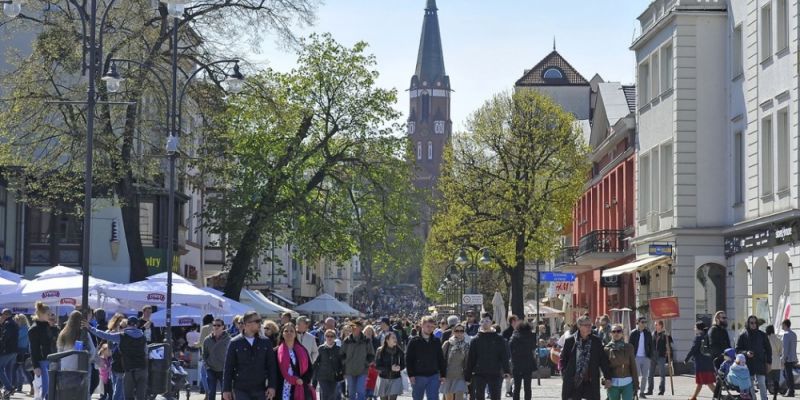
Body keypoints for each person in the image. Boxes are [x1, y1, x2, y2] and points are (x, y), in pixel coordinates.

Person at [85, 316, 148, 400]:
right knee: (141, 397)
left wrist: (90, 328)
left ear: (128, 324)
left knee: (128, 397)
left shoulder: (121, 336)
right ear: (137, 325)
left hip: (129, 370)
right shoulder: (143, 337)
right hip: (142, 369)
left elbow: (105, 335)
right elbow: (146, 353)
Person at [222, 311, 278, 400]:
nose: (260, 323)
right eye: (257, 321)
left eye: (260, 320)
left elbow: (271, 366)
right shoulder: (234, 342)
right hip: (240, 389)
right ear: (246, 324)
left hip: (261, 389)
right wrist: (226, 389)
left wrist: (272, 386)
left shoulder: (266, 342)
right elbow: (228, 367)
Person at [559, 315, 612, 400]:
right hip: (574, 380)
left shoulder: (596, 341)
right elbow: (563, 359)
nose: (589, 327)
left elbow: (603, 360)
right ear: (579, 326)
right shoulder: (570, 341)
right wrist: (564, 373)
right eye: (586, 325)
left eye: (590, 325)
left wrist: (608, 377)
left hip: (590, 379)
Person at [464, 313, 510, 400]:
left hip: (495, 372)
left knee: (496, 396)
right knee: (479, 397)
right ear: (480, 323)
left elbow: (504, 356)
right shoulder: (475, 340)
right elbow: (471, 359)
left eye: (487, 321)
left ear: (491, 322)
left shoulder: (499, 339)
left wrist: (507, 371)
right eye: (482, 321)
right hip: (479, 373)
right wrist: (468, 377)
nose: (485, 323)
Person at [405, 316, 446, 400]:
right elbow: (408, 359)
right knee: (417, 398)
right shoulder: (414, 341)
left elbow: (440, 358)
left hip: (434, 375)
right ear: (422, 325)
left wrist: (443, 374)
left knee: (433, 398)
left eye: (432, 327)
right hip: (418, 376)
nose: (430, 328)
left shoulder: (436, 341)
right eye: (428, 326)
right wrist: (411, 375)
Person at [275, 323, 317, 400]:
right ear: (282, 334)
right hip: (281, 388)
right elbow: (272, 371)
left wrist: (303, 380)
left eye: (291, 331)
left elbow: (310, 370)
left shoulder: (303, 350)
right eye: (286, 331)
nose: (289, 333)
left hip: (299, 386)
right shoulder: (276, 351)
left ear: (295, 334)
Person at [736, 315, 772, 400]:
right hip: (748, 364)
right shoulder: (743, 335)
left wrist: (769, 362)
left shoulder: (762, 335)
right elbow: (737, 350)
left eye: (755, 323)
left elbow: (768, 349)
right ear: (748, 324)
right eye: (751, 323)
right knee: (750, 385)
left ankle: (764, 398)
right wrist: (746, 353)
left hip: (760, 363)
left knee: (762, 383)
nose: (754, 324)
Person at [342, 320, 375, 400]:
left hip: (362, 370)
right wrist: (345, 364)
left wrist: (366, 363)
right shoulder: (347, 340)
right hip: (350, 371)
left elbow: (371, 355)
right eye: (352, 327)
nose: (353, 328)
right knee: (351, 393)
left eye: (355, 326)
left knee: (361, 391)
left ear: (360, 328)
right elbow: (342, 355)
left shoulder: (367, 340)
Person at [603, 324, 638, 400]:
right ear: (610, 334)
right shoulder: (606, 349)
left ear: (622, 333)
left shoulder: (629, 347)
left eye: (619, 331)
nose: (616, 333)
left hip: (627, 382)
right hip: (613, 383)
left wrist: (636, 384)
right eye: (614, 331)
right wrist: (605, 379)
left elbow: (633, 366)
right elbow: (604, 368)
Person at [28, 302, 53, 400]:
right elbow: (33, 349)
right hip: (42, 361)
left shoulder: (47, 326)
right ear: (41, 314)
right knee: (44, 390)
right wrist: (35, 366)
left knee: (49, 389)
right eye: (48, 314)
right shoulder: (34, 329)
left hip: (50, 359)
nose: (50, 315)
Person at [685, 321, 716, 400]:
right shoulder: (707, 336)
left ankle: (720, 396)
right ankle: (694, 397)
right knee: (704, 382)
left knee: (706, 382)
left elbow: (693, 349)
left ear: (698, 328)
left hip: (701, 363)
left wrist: (686, 359)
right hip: (708, 362)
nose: (694, 329)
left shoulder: (698, 337)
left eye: (695, 327)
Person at [203, 318, 231, 400]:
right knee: (211, 391)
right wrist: (207, 366)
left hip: (224, 369)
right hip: (211, 369)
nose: (216, 327)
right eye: (214, 325)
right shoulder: (207, 340)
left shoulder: (229, 339)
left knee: (224, 391)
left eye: (218, 325)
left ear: (223, 327)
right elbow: (204, 354)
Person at [441, 323, 469, 400]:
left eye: (461, 331)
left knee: (459, 397)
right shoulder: (447, 344)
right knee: (448, 398)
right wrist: (441, 374)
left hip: (460, 375)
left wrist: (468, 377)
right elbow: (440, 359)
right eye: (457, 331)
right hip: (448, 375)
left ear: (464, 332)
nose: (459, 333)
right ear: (453, 332)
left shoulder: (466, 346)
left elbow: (467, 362)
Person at [508, 321, 535, 400]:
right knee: (528, 387)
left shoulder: (514, 336)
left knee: (517, 387)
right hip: (528, 364)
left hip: (517, 364)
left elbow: (510, 347)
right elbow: (533, 347)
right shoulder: (530, 336)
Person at [374, 331, 405, 400]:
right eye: (393, 338)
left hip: (396, 378)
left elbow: (403, 365)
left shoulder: (399, 350)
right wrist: (390, 368)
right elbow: (377, 366)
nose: (395, 339)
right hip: (383, 378)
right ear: (387, 340)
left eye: (395, 338)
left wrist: (399, 367)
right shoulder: (380, 350)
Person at [315, 329, 344, 400]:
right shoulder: (321, 348)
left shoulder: (338, 349)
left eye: (332, 336)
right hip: (322, 376)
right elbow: (315, 362)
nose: (329, 338)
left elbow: (342, 363)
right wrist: (315, 374)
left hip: (334, 376)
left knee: (332, 395)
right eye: (327, 336)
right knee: (325, 394)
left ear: (334, 337)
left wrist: (342, 373)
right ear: (325, 337)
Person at [628, 316, 652, 398]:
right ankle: (635, 391)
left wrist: (650, 357)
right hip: (636, 358)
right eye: (642, 322)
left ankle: (642, 392)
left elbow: (651, 346)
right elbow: (629, 346)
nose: (644, 324)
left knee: (645, 376)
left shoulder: (648, 333)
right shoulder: (633, 333)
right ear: (638, 322)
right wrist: (631, 358)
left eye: (645, 322)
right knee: (636, 376)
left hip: (646, 358)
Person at [648, 320, 672, 396]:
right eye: (655, 324)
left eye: (656, 324)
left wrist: (668, 351)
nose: (655, 326)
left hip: (661, 355)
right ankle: (649, 390)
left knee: (662, 374)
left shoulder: (665, 335)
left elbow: (669, 346)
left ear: (661, 325)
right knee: (650, 374)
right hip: (653, 356)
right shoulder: (653, 334)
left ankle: (661, 390)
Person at [0, 308, 18, 399]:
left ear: (6, 314)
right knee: (8, 370)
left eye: (2, 314)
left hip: (7, 351)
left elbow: (5, 337)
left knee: (1, 368)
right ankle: (7, 392)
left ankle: (9, 388)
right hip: (14, 351)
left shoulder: (8, 324)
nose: (1, 316)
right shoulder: (14, 323)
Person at [13, 314, 31, 395]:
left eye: (17, 320)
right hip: (20, 350)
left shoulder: (24, 329)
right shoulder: (23, 328)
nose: (16, 321)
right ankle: (18, 386)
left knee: (23, 370)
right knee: (20, 370)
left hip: (22, 351)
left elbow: (17, 337)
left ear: (21, 320)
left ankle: (15, 386)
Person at [198, 313, 215, 397]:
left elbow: (200, 343)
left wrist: (194, 344)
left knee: (203, 375)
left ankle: (208, 393)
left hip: (206, 355)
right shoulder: (216, 327)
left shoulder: (204, 328)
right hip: (217, 355)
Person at [766, 325, 783, 398]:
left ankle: (766, 394)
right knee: (776, 380)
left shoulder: (767, 339)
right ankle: (775, 395)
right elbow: (781, 352)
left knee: (767, 379)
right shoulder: (779, 339)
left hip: (769, 361)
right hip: (777, 362)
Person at [782, 319, 797, 397]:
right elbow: (794, 347)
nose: (782, 326)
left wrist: (783, 358)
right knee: (788, 374)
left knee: (787, 374)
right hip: (792, 357)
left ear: (785, 325)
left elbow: (785, 348)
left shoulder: (786, 335)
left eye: (782, 325)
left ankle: (790, 390)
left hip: (787, 358)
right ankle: (791, 390)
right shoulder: (794, 334)